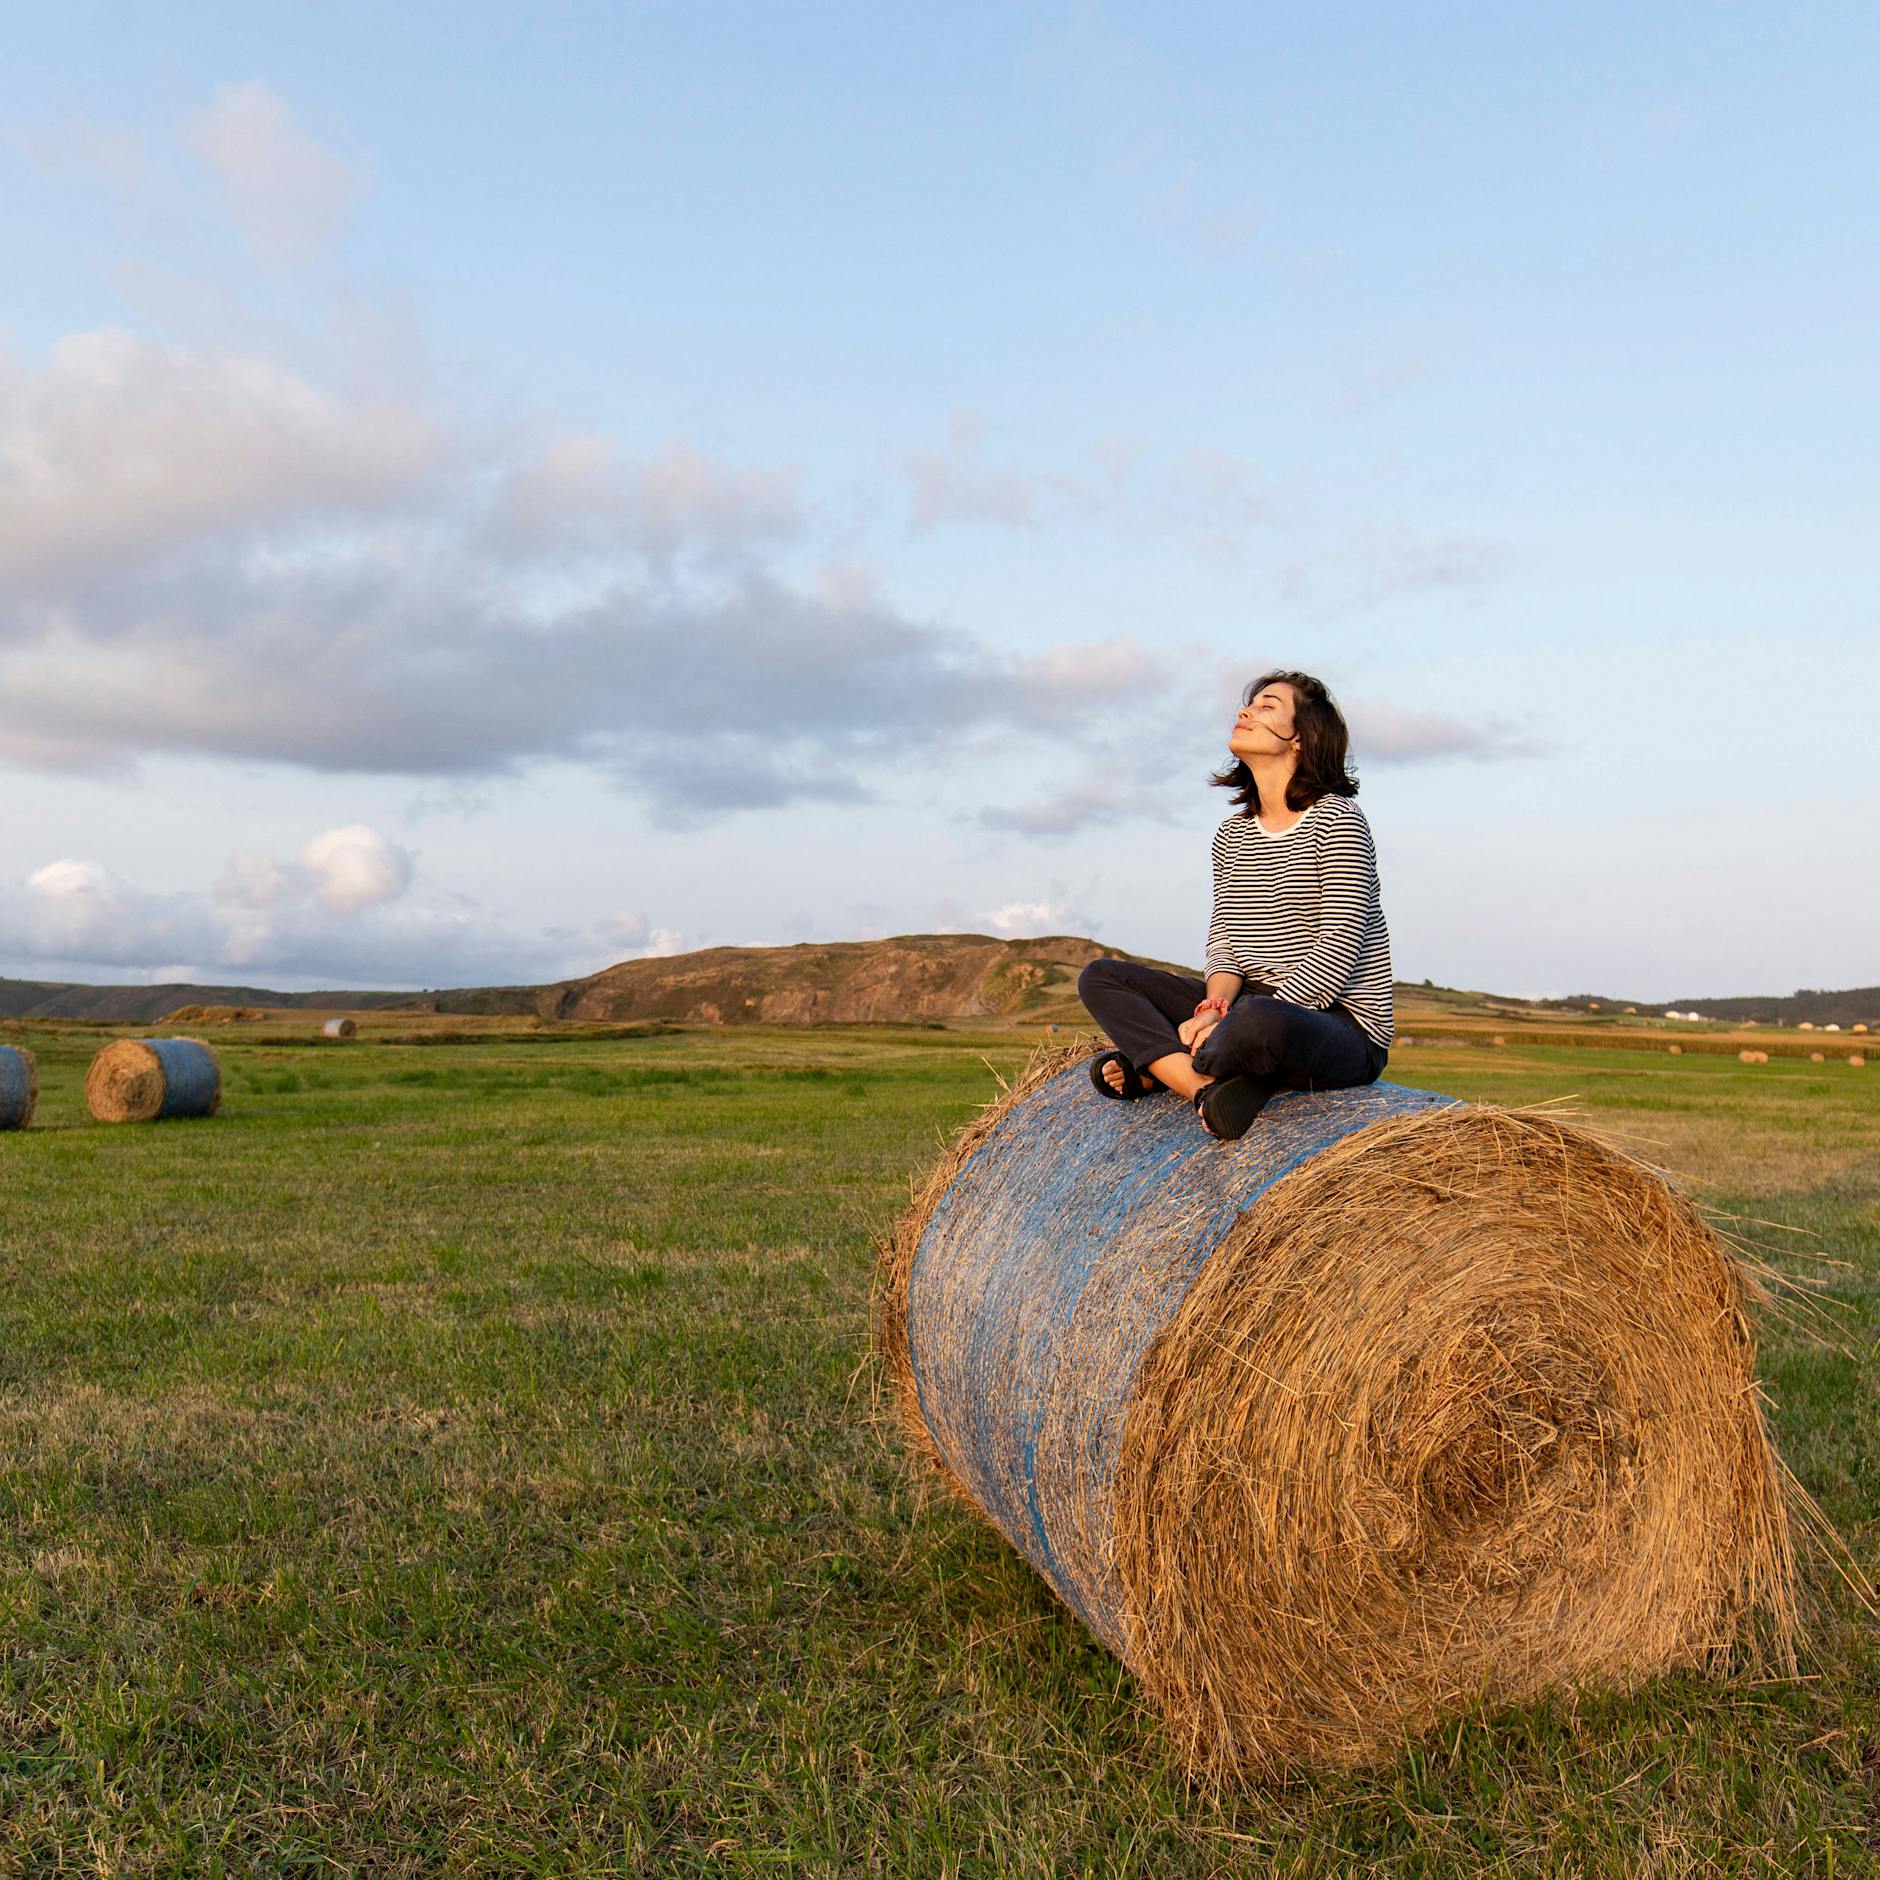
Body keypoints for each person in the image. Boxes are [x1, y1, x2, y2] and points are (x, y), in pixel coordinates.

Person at [1078, 670, 1393, 1141]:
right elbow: (1225, 944)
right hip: (1245, 1006)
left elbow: (1339, 947)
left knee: (1259, 1022)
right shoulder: (1232, 836)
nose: (1245, 712)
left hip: (1336, 1025)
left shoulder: (1338, 819)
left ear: (1302, 738)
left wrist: (1232, 1023)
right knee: (1102, 977)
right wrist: (1212, 1009)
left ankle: (1156, 1068)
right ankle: (1200, 1086)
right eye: (1248, 705)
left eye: (1267, 706)